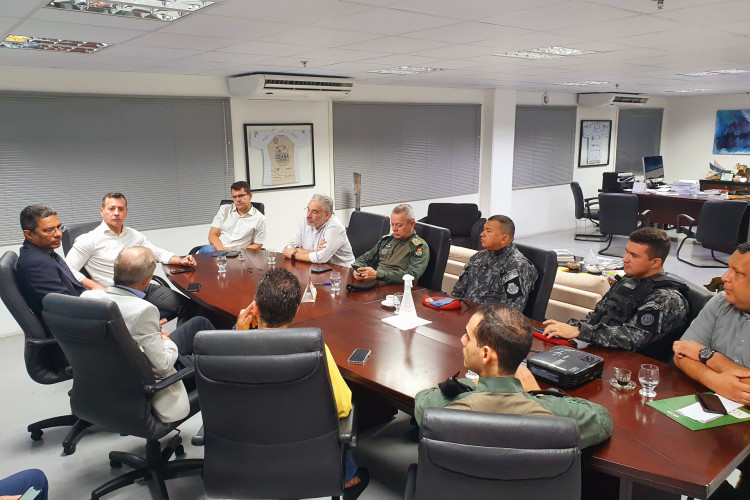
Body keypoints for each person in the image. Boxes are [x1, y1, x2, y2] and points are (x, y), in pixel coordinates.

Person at [234, 268, 368, 500]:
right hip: (302, 447)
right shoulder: (314, 350)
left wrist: (237, 332)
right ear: (296, 310)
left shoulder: (226, 349)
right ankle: (349, 480)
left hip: (247, 443)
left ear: (254, 308)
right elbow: (342, 407)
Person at [414, 304, 612, 449]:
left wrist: (474, 383)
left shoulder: (446, 402)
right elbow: (602, 418)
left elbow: (422, 401)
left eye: (468, 336)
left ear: (485, 354)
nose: (462, 340)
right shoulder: (553, 413)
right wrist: (538, 394)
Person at [81, 246, 214, 423]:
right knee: (218, 361)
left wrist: (152, 332)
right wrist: (165, 341)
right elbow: (163, 366)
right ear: (148, 280)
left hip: (120, 366)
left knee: (200, 322)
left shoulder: (89, 298)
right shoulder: (143, 310)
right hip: (153, 376)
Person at [542, 227, 689, 354]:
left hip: (635, 366)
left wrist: (581, 332)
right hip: (602, 350)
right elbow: (598, 315)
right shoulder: (627, 281)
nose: (625, 259)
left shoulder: (666, 298)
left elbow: (633, 338)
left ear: (655, 262)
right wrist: (572, 327)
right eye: (627, 252)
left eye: (634, 255)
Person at [66, 192, 197, 326]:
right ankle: (148, 335)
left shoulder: (134, 235)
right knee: (140, 322)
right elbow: (68, 269)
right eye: (111, 208)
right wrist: (96, 287)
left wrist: (180, 260)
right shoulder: (89, 240)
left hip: (143, 287)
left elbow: (156, 253)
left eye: (121, 209)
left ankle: (177, 344)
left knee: (190, 307)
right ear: (102, 211)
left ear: (126, 212)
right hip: (115, 293)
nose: (116, 213)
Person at [15, 205, 94, 319]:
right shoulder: (36, 263)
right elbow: (64, 306)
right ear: (29, 234)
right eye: (49, 230)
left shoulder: (43, 251)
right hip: (71, 326)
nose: (58, 234)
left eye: (58, 227)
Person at [451, 215, 537, 311]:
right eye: (484, 230)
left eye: (488, 231)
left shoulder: (516, 266)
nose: (482, 234)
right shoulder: (478, 257)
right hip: (466, 314)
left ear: (504, 239)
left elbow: (511, 311)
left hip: (491, 322)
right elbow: (457, 293)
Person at [352, 204, 429, 284]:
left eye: (399, 225)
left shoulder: (419, 246)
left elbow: (412, 275)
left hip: (397, 289)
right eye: (392, 224)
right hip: (375, 284)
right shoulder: (387, 240)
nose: (394, 229)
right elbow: (364, 258)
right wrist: (358, 270)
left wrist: (378, 275)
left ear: (412, 224)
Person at [282, 194, 354, 267]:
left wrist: (294, 255)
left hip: (342, 271)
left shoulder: (335, 226)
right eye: (308, 210)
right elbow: (289, 247)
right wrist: (314, 252)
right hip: (318, 268)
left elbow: (320, 258)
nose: (308, 215)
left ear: (327, 215)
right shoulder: (305, 221)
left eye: (315, 212)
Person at [197, 181, 266, 254]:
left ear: (250, 196)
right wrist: (222, 252)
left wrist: (235, 249)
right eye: (234, 197)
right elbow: (213, 234)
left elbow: (258, 245)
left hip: (238, 253)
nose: (238, 200)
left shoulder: (260, 219)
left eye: (241, 196)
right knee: (207, 250)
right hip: (216, 249)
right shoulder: (224, 209)